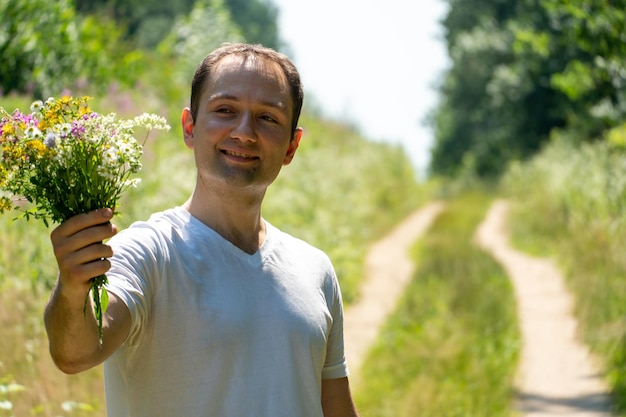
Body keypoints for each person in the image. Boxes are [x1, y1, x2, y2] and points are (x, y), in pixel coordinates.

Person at [44, 43, 360, 417]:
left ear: (292, 146)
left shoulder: (316, 270)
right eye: (225, 111)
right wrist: (73, 286)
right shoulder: (146, 252)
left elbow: (336, 408)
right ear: (190, 127)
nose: (244, 133)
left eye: (268, 118)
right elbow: (75, 353)